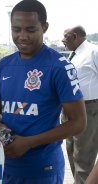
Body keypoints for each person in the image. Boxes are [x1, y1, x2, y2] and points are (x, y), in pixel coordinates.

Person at [0, 0, 87, 183]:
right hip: (5, 166)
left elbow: (79, 122)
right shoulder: (3, 66)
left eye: (30, 30)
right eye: (16, 29)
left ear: (45, 27)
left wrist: (28, 143)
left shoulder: (60, 67)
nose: (22, 36)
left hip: (43, 169)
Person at [61, 25, 98, 184]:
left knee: (84, 155)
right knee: (71, 150)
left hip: (88, 108)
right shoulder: (73, 55)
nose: (62, 40)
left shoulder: (93, 52)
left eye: (65, 36)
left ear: (74, 36)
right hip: (69, 110)